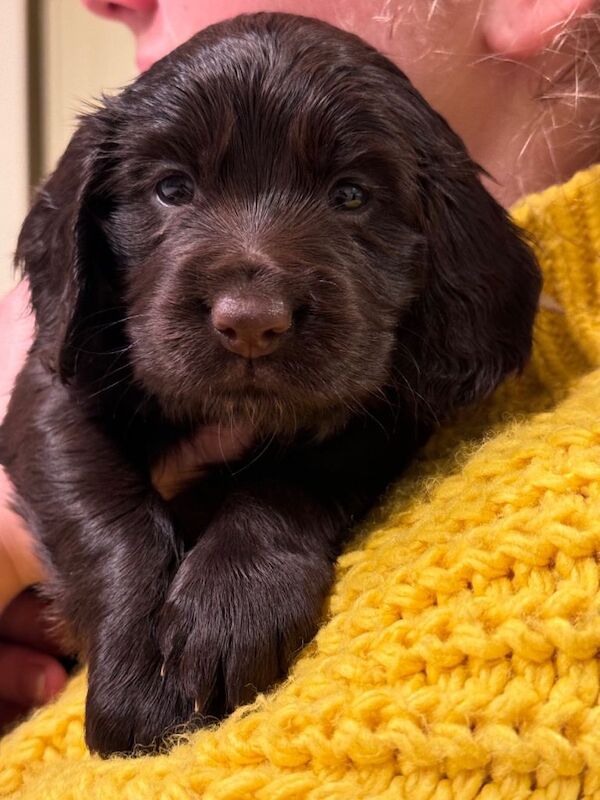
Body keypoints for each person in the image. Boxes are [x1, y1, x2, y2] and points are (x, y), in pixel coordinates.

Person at [0, 0, 598, 734]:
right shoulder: (94, 316)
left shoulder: (550, 496)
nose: (250, 311)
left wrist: (284, 518)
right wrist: (122, 587)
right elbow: (52, 403)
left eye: (351, 196)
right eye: (173, 189)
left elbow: (422, 407)